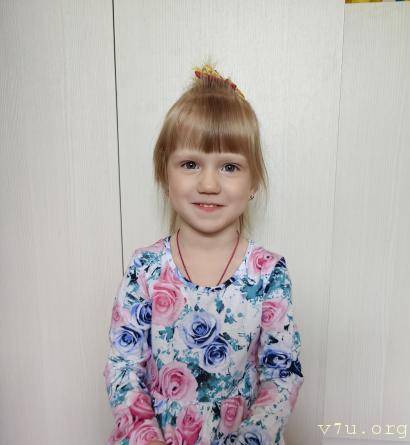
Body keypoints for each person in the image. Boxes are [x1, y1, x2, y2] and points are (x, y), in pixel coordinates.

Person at [103, 62, 304, 445]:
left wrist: (252, 438)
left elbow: (282, 375)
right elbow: (122, 367)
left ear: (253, 182)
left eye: (229, 166)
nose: (208, 183)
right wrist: (147, 437)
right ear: (164, 176)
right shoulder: (145, 269)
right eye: (190, 164)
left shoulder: (268, 273)